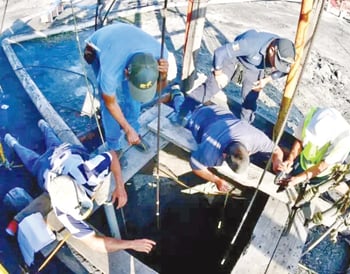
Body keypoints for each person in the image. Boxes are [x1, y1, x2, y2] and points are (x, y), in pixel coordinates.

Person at [3, 120, 156, 253]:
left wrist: (120, 187)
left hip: (62, 154)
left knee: (39, 151)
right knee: (36, 155)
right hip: (48, 165)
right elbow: (96, 244)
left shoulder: (87, 174)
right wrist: (131, 244)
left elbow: (113, 155)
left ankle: (18, 139)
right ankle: (25, 136)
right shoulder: (63, 211)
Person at [84, 22, 175, 152]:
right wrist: (126, 129)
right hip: (98, 44)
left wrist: (164, 75)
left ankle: (134, 131)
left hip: (126, 40)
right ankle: (114, 145)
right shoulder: (110, 72)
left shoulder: (160, 57)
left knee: (134, 97)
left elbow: (159, 89)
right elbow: (111, 104)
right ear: (126, 73)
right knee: (107, 102)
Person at [187, 29, 295, 123]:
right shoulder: (250, 44)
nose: (276, 67)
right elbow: (220, 52)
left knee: (250, 98)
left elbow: (286, 70)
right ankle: (184, 110)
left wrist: (267, 79)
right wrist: (218, 74)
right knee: (213, 86)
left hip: (254, 69)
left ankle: (244, 125)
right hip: (237, 60)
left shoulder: (284, 51)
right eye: (276, 63)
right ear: (272, 50)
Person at [185, 104, 283, 192]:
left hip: (217, 110)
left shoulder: (256, 139)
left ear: (248, 151)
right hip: (195, 117)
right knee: (181, 108)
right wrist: (216, 180)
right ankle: (177, 95)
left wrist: (277, 161)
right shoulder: (210, 151)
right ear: (223, 155)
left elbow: (277, 150)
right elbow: (195, 166)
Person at [273, 107, 350, 189]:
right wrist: (291, 159)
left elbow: (322, 166)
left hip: (322, 173)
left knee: (326, 184)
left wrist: (299, 178)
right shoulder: (313, 116)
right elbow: (300, 140)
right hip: (303, 161)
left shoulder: (343, 141)